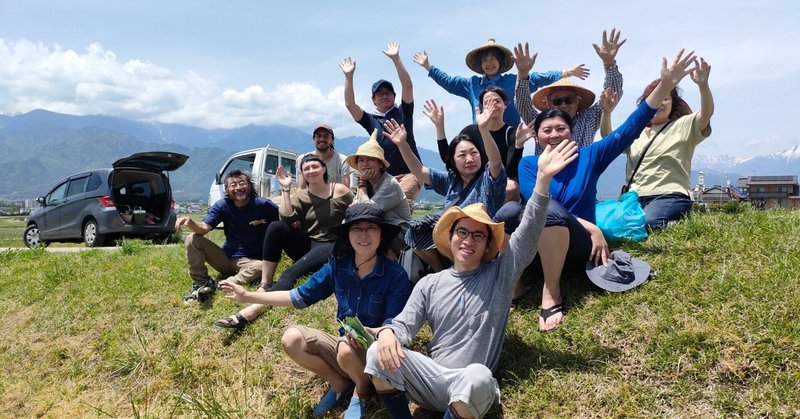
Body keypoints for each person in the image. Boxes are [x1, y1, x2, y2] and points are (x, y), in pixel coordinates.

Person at [363, 141, 577, 419]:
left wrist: (542, 181)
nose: (468, 241)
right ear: (450, 238)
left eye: (478, 235)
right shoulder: (430, 284)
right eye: (462, 232)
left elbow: (527, 235)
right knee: (376, 353)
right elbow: (405, 325)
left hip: (469, 386)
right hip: (430, 378)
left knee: (479, 376)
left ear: (488, 245)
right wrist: (390, 333)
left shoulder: (500, 274)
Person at [518, 49, 698, 332]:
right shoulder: (529, 165)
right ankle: (511, 282)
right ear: (537, 136)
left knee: (550, 210)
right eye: (547, 130)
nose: (554, 135)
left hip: (574, 250)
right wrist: (593, 227)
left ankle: (551, 292)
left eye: (560, 129)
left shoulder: (591, 156)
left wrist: (664, 85)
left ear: (571, 131)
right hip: (536, 249)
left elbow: (630, 128)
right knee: (509, 211)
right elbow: (533, 207)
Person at [219, 203, 411, 418]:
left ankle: (361, 391)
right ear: (347, 234)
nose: (364, 234)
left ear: (381, 234)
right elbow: (299, 296)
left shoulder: (396, 275)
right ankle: (339, 383)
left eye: (371, 228)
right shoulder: (338, 267)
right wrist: (248, 296)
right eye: (356, 228)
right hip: (345, 345)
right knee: (292, 338)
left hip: (378, 354)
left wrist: (371, 333)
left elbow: (394, 326)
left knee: (346, 349)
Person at [215, 155, 353, 328]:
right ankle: (266, 283)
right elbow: (287, 218)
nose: (311, 171)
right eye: (306, 168)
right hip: (309, 243)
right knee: (276, 226)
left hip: (332, 245)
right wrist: (286, 189)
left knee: (290, 273)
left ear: (324, 169)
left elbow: (358, 211)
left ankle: (252, 310)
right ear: (302, 173)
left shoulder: (339, 190)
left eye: (315, 167)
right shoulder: (302, 195)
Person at [383, 96, 515, 272]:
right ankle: (442, 272)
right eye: (462, 155)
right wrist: (402, 144)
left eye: (474, 153)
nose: (469, 159)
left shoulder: (488, 179)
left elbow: (496, 163)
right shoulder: (451, 180)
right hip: (454, 237)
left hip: (479, 236)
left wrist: (483, 129)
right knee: (415, 231)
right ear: (453, 161)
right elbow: (419, 171)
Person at [414, 38, 588, 127]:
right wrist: (428, 66)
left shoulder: (513, 81)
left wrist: (567, 72)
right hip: (482, 137)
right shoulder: (472, 84)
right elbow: (449, 82)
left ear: (499, 62)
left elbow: (537, 78)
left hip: (510, 137)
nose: (489, 64)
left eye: (492, 59)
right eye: (485, 61)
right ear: (480, 65)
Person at [625, 57, 714, 229]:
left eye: (665, 98)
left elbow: (706, 114)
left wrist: (703, 85)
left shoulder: (683, 125)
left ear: (674, 103)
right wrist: (607, 112)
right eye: (653, 98)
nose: (659, 103)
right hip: (634, 197)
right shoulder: (637, 131)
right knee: (615, 225)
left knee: (648, 224)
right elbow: (610, 140)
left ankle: (674, 224)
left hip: (669, 195)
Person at [515, 29, 626, 155]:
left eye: (568, 100)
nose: (563, 105)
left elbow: (611, 95)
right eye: (557, 101)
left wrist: (609, 62)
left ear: (577, 101)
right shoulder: (539, 122)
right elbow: (522, 104)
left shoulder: (588, 119)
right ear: (548, 103)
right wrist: (523, 74)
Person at [175, 169, 279, 303]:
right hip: (226, 258)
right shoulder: (222, 205)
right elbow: (204, 228)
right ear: (227, 189)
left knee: (261, 267)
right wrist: (190, 222)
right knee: (192, 238)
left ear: (249, 185)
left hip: (251, 261)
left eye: (242, 183)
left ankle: (218, 284)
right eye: (233, 185)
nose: (238, 188)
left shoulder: (263, 204)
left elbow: (280, 227)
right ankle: (201, 283)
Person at [341, 42, 421, 210]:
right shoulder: (371, 121)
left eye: (388, 92)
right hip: (382, 177)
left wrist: (396, 59)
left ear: (394, 96)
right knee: (368, 211)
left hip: (410, 174)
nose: (384, 96)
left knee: (402, 207)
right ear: (373, 99)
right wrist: (348, 77)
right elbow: (350, 105)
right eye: (379, 93)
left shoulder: (403, 113)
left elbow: (408, 86)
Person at [433, 86, 524, 202]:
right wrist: (439, 127)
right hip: (475, 185)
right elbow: (449, 158)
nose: (493, 105)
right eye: (487, 102)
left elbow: (511, 172)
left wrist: (518, 146)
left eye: (497, 101)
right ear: (481, 108)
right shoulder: (470, 131)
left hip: (499, 188)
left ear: (505, 105)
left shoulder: (512, 133)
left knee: (510, 185)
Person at [346, 129, 412, 257]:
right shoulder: (367, 183)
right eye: (361, 160)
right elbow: (352, 209)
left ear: (380, 164)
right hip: (375, 229)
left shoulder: (389, 184)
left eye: (370, 159)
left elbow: (368, 211)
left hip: (398, 236)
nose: (364, 164)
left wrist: (362, 185)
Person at [297, 124, 356, 189]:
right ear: (314, 139)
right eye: (319, 136)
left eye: (326, 136)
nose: (322, 139)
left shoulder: (342, 160)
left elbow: (345, 189)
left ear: (332, 139)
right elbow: (301, 188)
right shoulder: (303, 159)